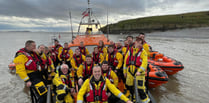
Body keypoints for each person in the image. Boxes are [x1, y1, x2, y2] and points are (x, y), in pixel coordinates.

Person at [123, 37, 150, 103]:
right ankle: (133, 99)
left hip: (139, 73)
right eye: (138, 42)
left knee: (141, 89)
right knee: (130, 87)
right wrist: (125, 72)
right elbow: (125, 62)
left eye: (140, 43)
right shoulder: (130, 51)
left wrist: (139, 71)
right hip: (130, 73)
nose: (138, 44)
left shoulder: (143, 52)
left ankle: (146, 101)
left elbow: (144, 63)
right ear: (135, 42)